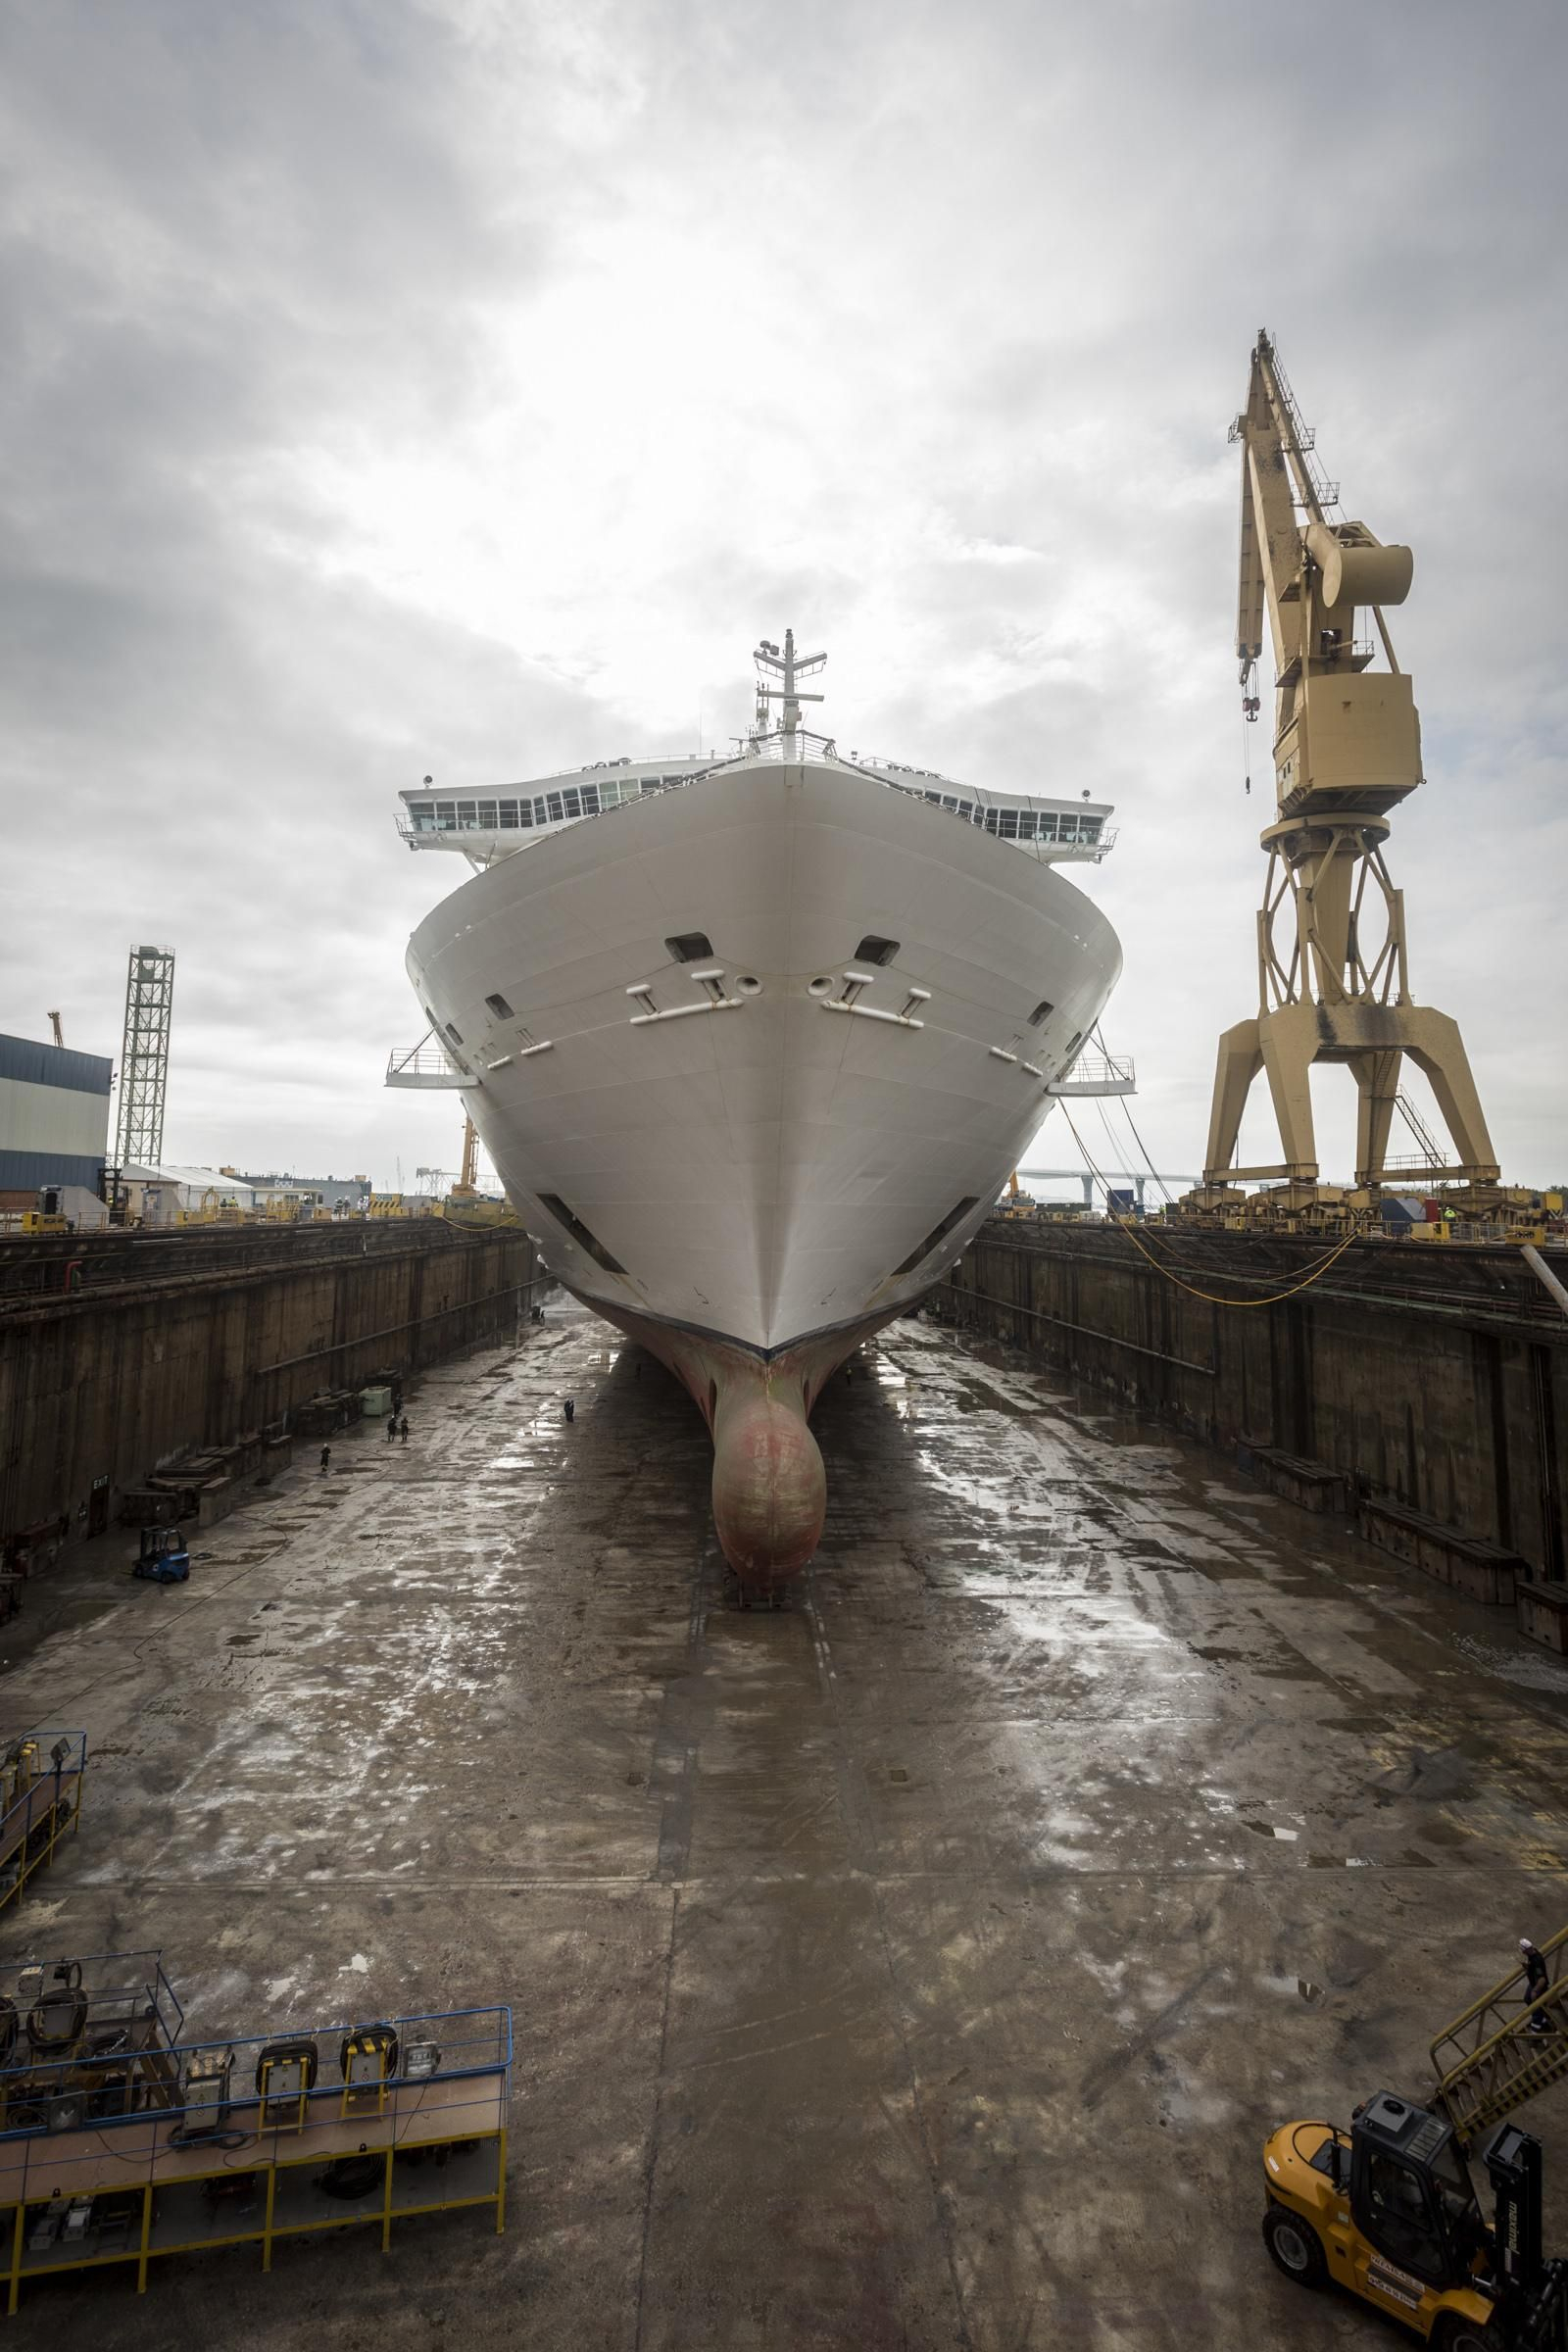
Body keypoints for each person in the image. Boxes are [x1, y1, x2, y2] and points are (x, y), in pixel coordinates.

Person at [1521, 1938, 1554, 2031]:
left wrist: (1535, 1991)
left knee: (1535, 2004)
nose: (1522, 1952)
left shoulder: (1536, 1960)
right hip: (1533, 1983)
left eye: (1523, 1950)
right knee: (1527, 1999)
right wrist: (1527, 1967)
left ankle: (1536, 2028)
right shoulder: (1532, 1955)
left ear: (1526, 1950)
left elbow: (1542, 1979)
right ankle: (1542, 2020)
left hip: (1539, 1987)